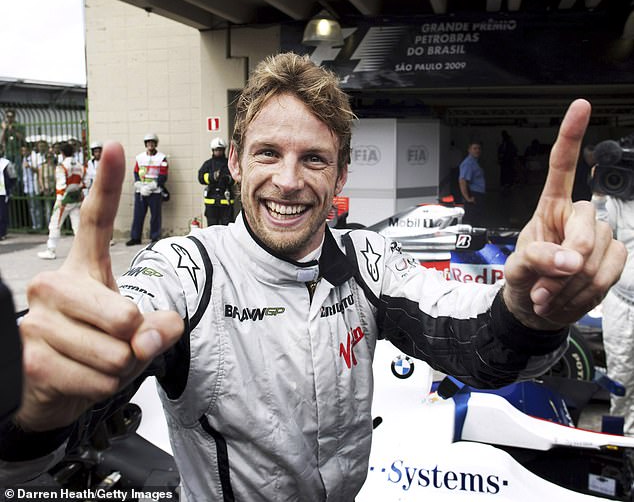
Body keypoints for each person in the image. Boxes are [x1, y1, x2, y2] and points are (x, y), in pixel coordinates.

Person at [0, 54, 626, 501]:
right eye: (269, 153)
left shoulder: (368, 259)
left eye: (315, 158)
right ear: (238, 162)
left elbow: (477, 348)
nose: (290, 179)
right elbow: (84, 381)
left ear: (341, 175)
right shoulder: (185, 270)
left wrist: (529, 313)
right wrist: (32, 406)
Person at [591, 141, 634, 436]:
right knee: (620, 374)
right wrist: (599, 195)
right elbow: (599, 236)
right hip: (622, 302)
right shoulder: (616, 200)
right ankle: (619, 442)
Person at [37, 142, 85, 260]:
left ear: (62, 153)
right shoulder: (80, 165)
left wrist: (59, 201)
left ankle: (51, 250)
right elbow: (85, 181)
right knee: (77, 225)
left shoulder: (61, 166)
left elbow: (61, 185)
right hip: (77, 197)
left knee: (55, 224)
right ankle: (84, 251)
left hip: (65, 199)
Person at [125, 133, 168, 246]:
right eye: (148, 143)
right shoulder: (140, 157)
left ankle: (155, 237)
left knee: (155, 216)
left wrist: (152, 186)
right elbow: (136, 172)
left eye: (152, 142)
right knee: (138, 215)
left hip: (155, 192)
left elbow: (163, 175)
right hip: (141, 192)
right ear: (145, 144)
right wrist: (139, 184)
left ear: (155, 144)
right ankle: (135, 237)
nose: (150, 145)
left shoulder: (161, 158)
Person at [197, 137, 235, 226]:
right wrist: (212, 177)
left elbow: (236, 178)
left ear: (224, 150)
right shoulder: (208, 164)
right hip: (211, 202)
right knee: (212, 227)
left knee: (227, 227)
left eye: (220, 150)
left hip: (226, 202)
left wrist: (228, 179)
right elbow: (200, 178)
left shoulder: (229, 164)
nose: (218, 152)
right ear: (213, 150)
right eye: (216, 150)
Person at [458, 141, 486, 226]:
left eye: (478, 148)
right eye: (474, 148)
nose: (477, 150)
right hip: (473, 195)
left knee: (478, 219)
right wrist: (467, 198)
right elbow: (462, 181)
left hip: (478, 195)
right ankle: (473, 238)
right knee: (473, 220)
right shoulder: (468, 163)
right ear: (469, 150)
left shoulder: (475, 162)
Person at [21, 145, 42, 230]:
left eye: (25, 151)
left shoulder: (35, 158)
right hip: (27, 187)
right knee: (31, 207)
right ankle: (34, 225)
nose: (24, 153)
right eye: (22, 151)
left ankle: (40, 225)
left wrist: (30, 166)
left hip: (34, 186)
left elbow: (39, 170)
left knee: (37, 207)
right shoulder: (23, 159)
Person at [0, 150, 16, 240]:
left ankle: (2, 233)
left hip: (3, 192)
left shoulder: (6, 163)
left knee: (2, 213)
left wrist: (9, 188)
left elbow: (13, 176)